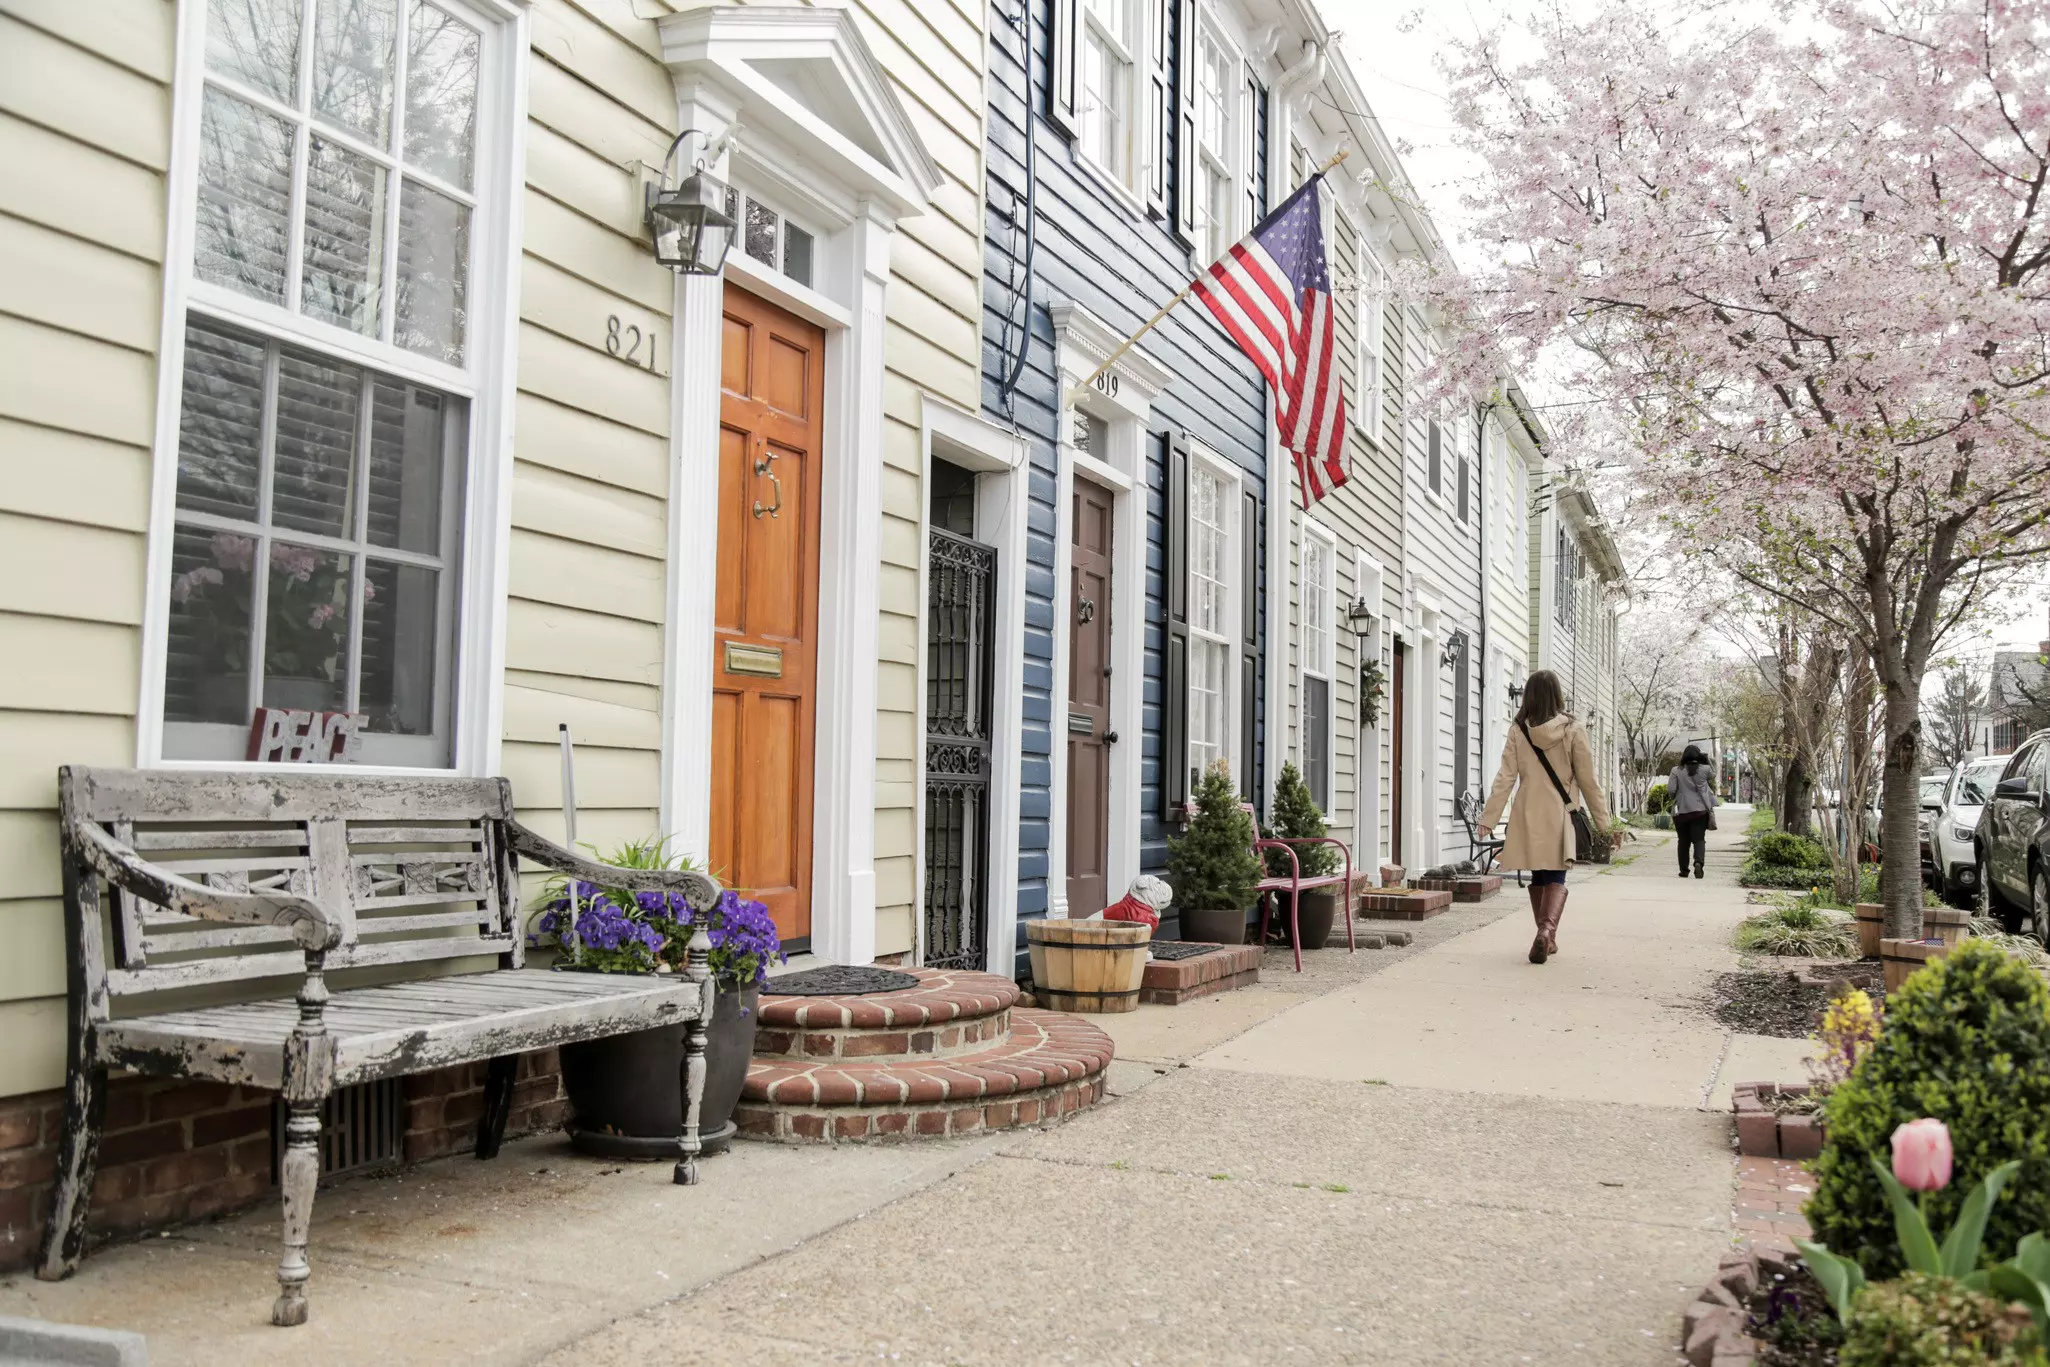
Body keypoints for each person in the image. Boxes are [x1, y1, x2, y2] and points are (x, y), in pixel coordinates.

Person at [1477, 670, 1612, 965]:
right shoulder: (1573, 729)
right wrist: (1604, 824)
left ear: (1529, 696)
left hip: (1527, 811)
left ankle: (1546, 936)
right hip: (1560, 811)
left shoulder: (1518, 731)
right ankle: (1547, 930)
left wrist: (1490, 817)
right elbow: (1588, 781)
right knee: (1556, 870)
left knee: (1539, 872)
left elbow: (1505, 778)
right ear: (1557, 695)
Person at [1667, 744, 1718, 879]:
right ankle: (1698, 863)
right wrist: (1706, 760)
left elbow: (1671, 790)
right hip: (1700, 811)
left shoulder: (1675, 771)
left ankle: (1684, 870)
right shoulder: (1705, 769)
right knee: (1699, 839)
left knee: (1683, 841)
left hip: (1681, 811)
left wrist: (1678, 797)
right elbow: (1714, 775)